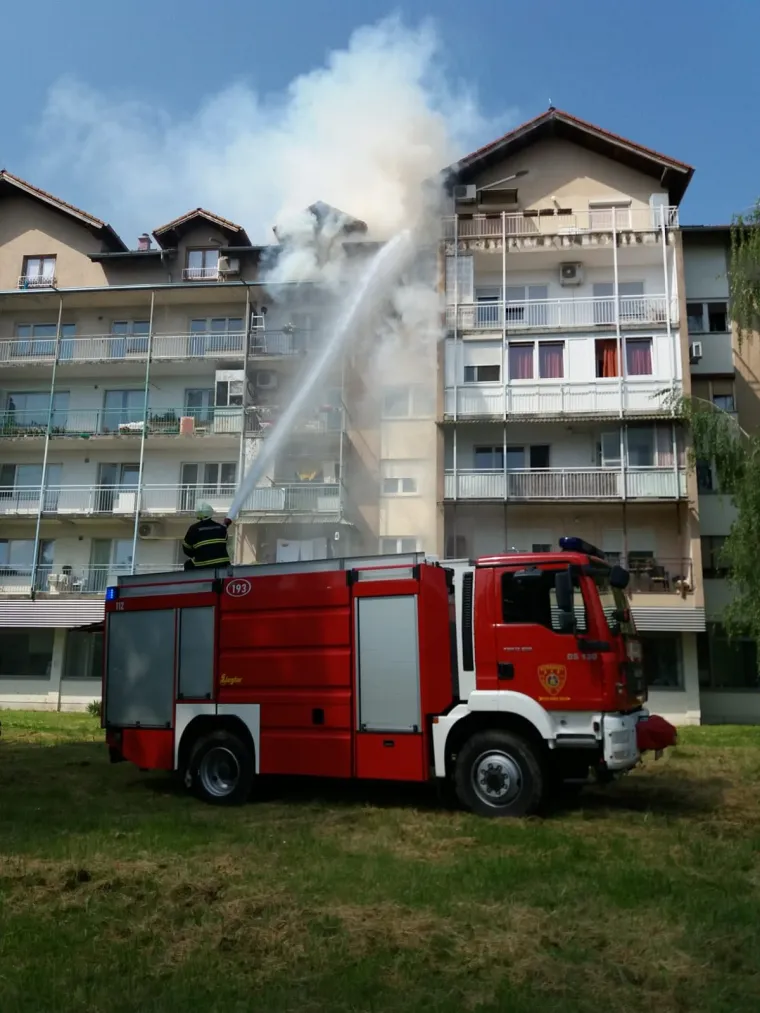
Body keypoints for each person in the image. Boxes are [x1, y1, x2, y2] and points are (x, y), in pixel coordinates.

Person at [182, 503, 232, 570]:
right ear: (211, 513)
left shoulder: (193, 529)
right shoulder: (221, 528)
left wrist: (196, 554)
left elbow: (186, 548)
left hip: (202, 565)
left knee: (188, 564)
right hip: (223, 565)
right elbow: (224, 540)